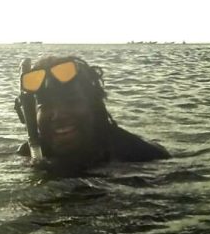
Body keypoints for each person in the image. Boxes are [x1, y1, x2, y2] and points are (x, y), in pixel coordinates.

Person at [15, 55, 169, 174]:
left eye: (71, 101)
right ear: (31, 114)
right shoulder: (29, 154)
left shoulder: (142, 156)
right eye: (45, 105)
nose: (59, 114)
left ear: (94, 105)